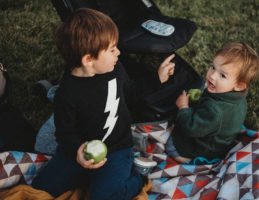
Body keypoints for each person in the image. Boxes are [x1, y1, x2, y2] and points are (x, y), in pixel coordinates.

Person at [31, 8, 175, 200]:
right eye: (112, 49)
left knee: (104, 196)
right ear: (88, 60)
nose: (119, 52)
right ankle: (89, 176)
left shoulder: (115, 69)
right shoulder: (67, 93)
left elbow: (131, 92)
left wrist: (157, 78)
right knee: (42, 188)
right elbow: (65, 132)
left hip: (117, 148)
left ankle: (139, 178)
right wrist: (77, 152)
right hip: (83, 149)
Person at [165, 42, 259, 164]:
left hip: (204, 148)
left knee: (170, 144)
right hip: (218, 137)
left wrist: (183, 107)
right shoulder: (238, 97)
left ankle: (187, 159)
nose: (212, 76)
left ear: (239, 85)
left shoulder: (214, 110)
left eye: (222, 75)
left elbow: (190, 127)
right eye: (213, 67)